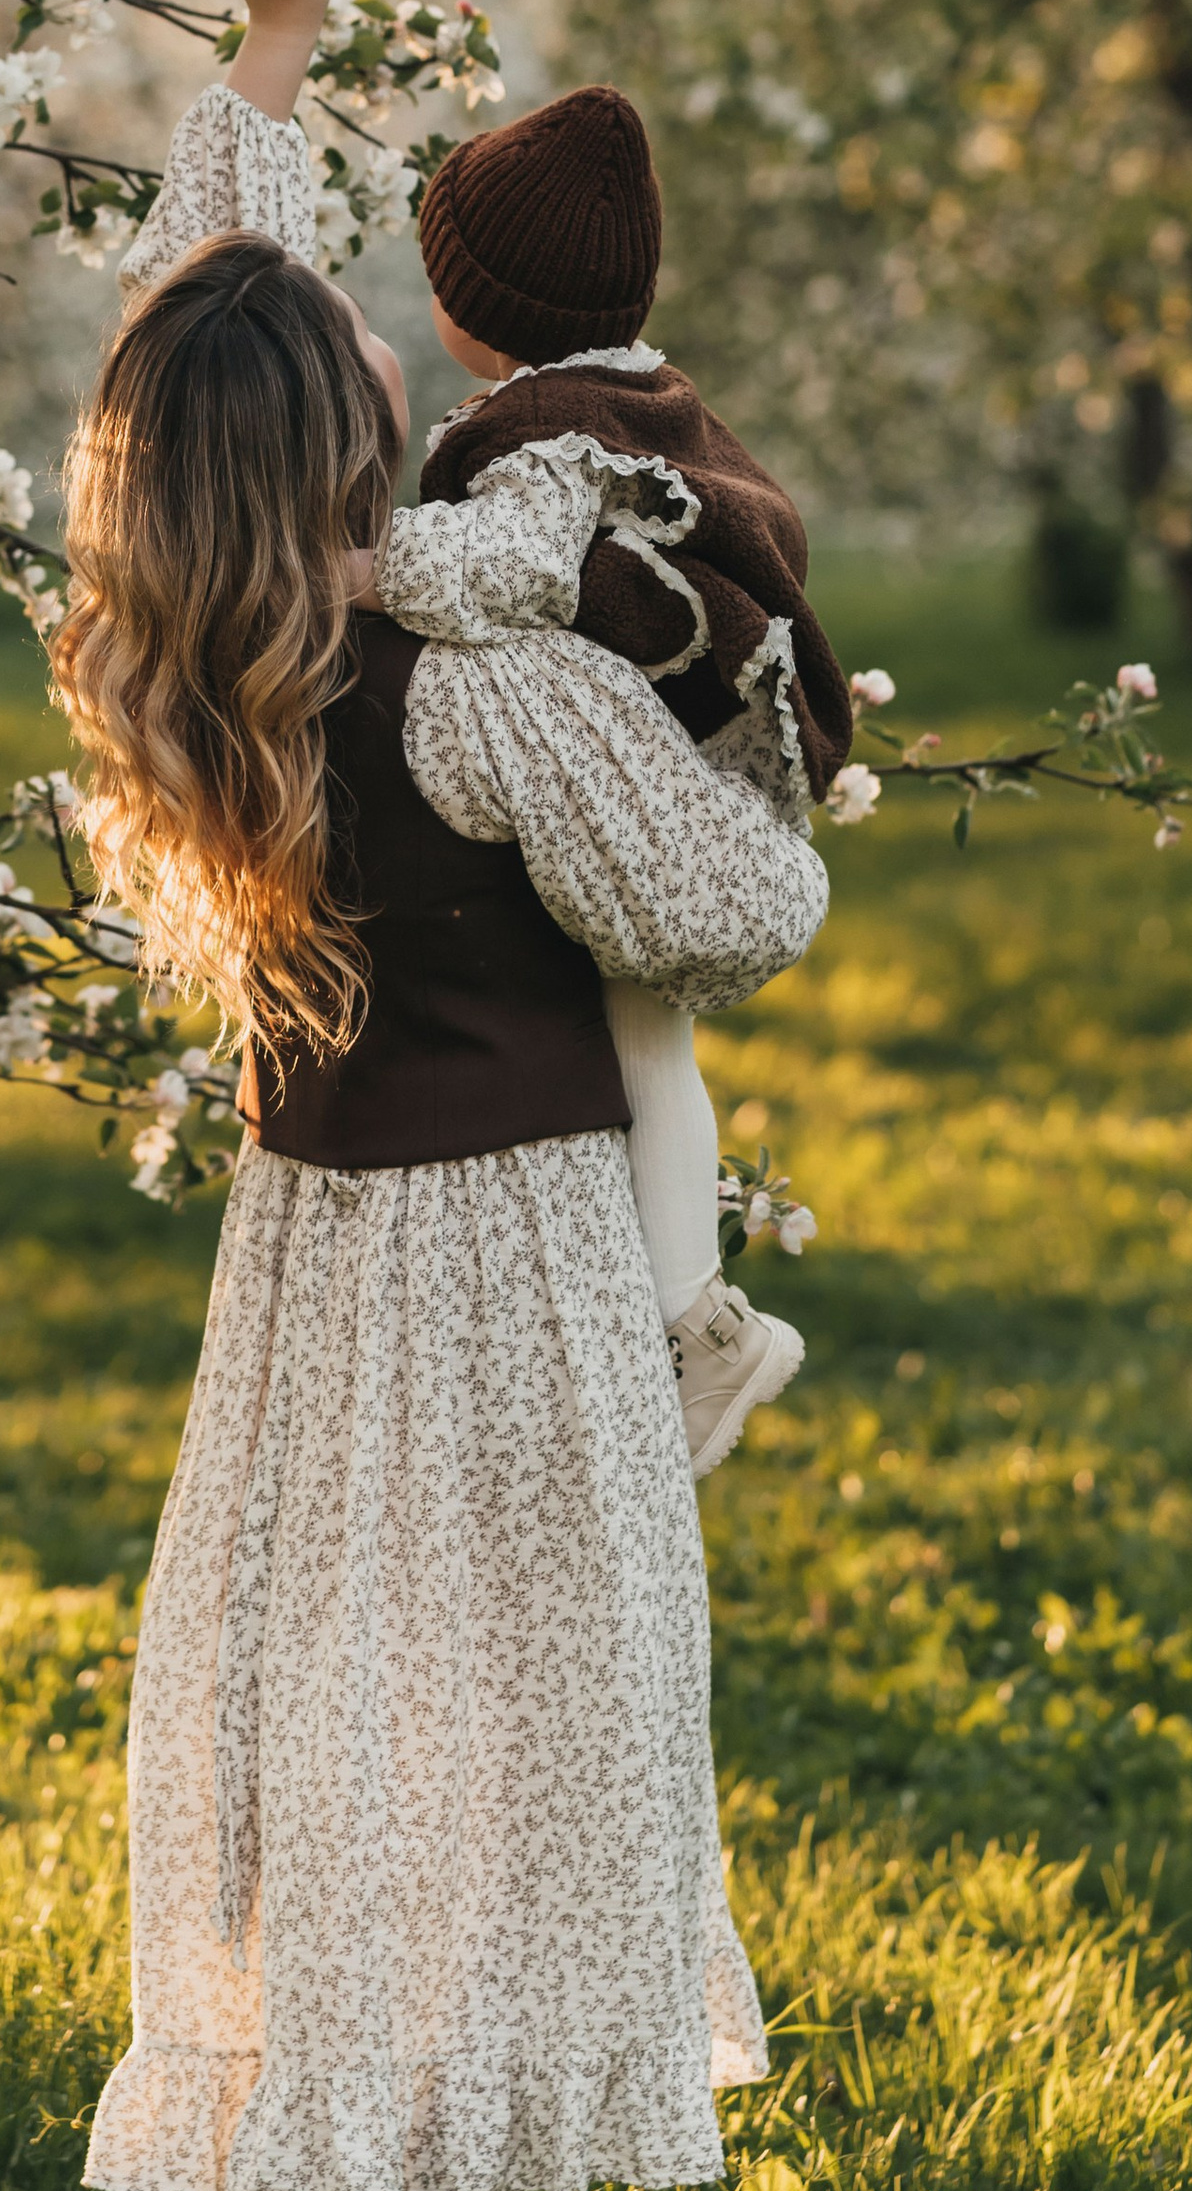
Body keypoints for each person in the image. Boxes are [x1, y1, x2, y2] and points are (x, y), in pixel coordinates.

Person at [55, 0, 830, 2191]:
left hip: (308, 1291)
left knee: (353, 1763)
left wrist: (272, 42)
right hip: (497, 1271)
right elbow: (744, 907)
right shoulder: (480, 681)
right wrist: (727, 747)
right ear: (370, 431)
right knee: (501, 1769)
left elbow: (194, 333)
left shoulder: (198, 674)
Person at [363, 78, 854, 1477]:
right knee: (657, 1046)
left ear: (477, 304)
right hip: (702, 758)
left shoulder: (537, 437)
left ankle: (693, 1322)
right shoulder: (645, 396)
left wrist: (362, 569)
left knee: (641, 1038)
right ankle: (690, 1309)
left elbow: (512, 570)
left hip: (655, 786)